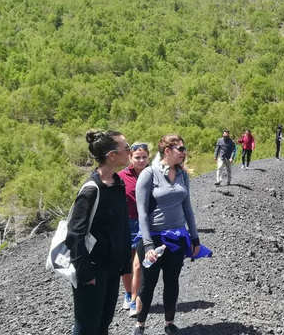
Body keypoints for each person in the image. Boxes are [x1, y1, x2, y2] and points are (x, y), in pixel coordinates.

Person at [133, 134, 201, 335]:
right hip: (153, 237)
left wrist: (194, 236)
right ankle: (140, 325)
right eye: (180, 149)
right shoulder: (149, 174)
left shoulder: (182, 175)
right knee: (148, 284)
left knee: (172, 281)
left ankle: (169, 323)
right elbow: (142, 212)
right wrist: (147, 245)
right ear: (167, 151)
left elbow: (187, 207)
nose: (184, 152)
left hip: (177, 238)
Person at [67, 130, 131, 335]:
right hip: (92, 269)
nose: (129, 152)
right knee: (86, 327)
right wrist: (85, 274)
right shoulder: (91, 189)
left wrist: (124, 264)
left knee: (103, 324)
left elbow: (121, 226)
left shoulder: (117, 183)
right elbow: (74, 234)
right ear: (112, 155)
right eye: (126, 148)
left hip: (111, 266)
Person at [117, 142, 150, 317]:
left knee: (138, 264)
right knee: (127, 262)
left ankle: (135, 298)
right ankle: (128, 293)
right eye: (137, 157)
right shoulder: (121, 177)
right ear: (130, 157)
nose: (141, 160)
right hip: (127, 223)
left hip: (147, 223)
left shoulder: (153, 174)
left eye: (144, 157)